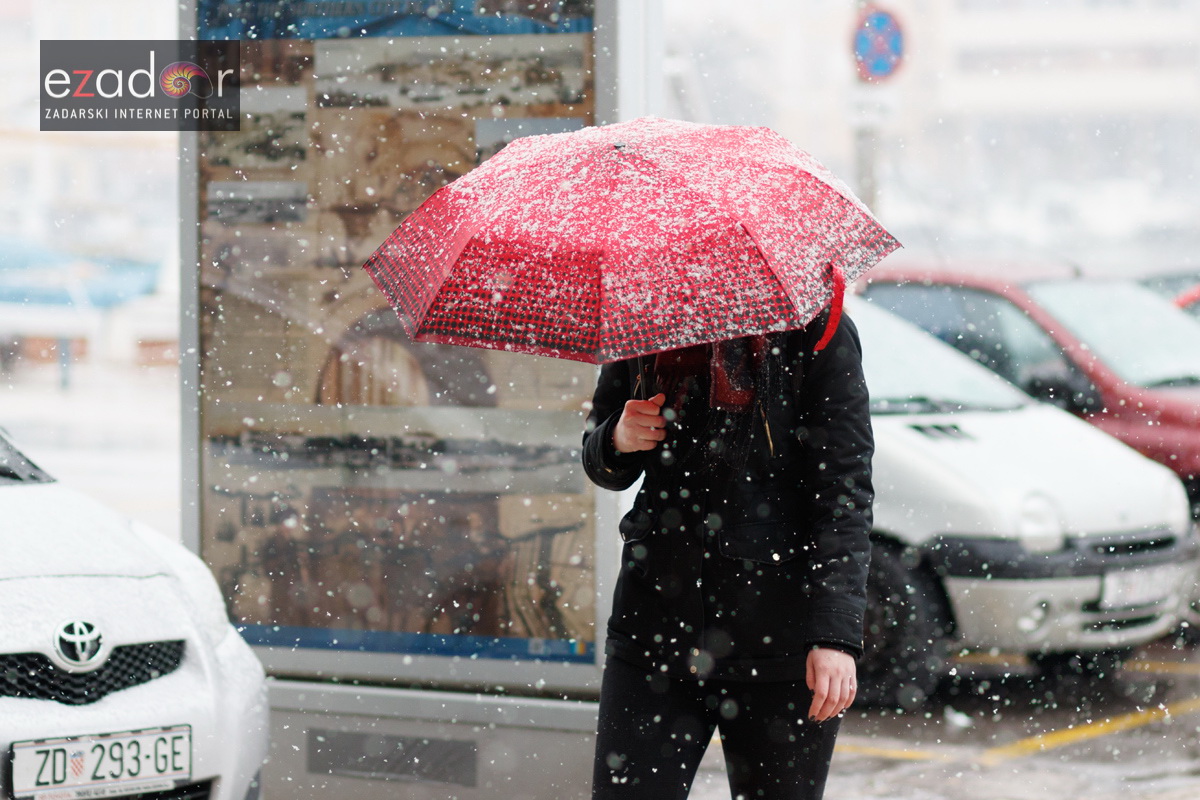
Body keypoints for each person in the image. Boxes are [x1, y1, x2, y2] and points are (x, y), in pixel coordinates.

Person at [582, 309, 874, 800]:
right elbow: (602, 461)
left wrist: (835, 636)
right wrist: (616, 438)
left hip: (779, 641)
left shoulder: (814, 326)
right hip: (654, 629)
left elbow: (844, 494)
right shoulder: (646, 316)